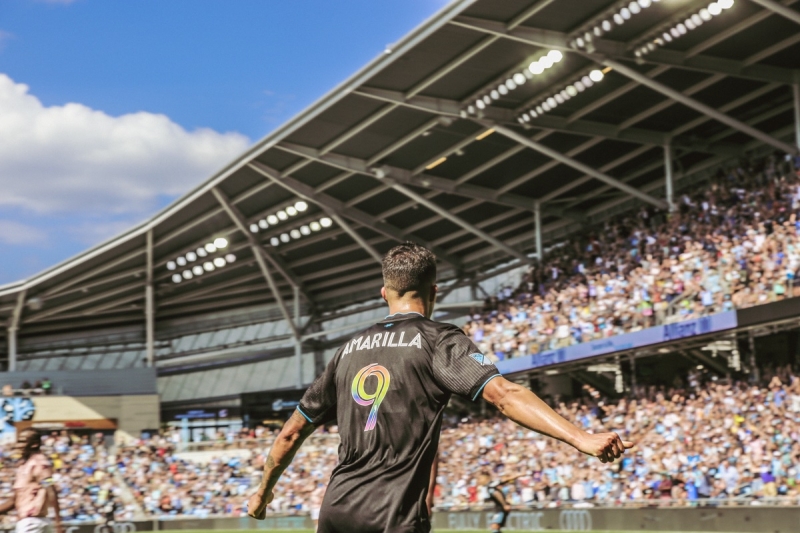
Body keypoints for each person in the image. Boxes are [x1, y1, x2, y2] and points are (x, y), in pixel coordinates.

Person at [247, 243, 633, 533]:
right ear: (434, 292)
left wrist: (262, 494)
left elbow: (290, 433)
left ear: (385, 293)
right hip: (394, 515)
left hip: (336, 512)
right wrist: (580, 437)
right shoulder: (439, 339)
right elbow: (505, 396)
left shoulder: (345, 352)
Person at [0, 429, 63, 533]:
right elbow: (13, 501)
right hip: (30, 523)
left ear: (34, 444)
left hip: (32, 523)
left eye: (22, 442)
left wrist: (58, 522)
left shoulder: (39, 464)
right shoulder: (24, 466)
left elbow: (50, 489)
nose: (18, 445)